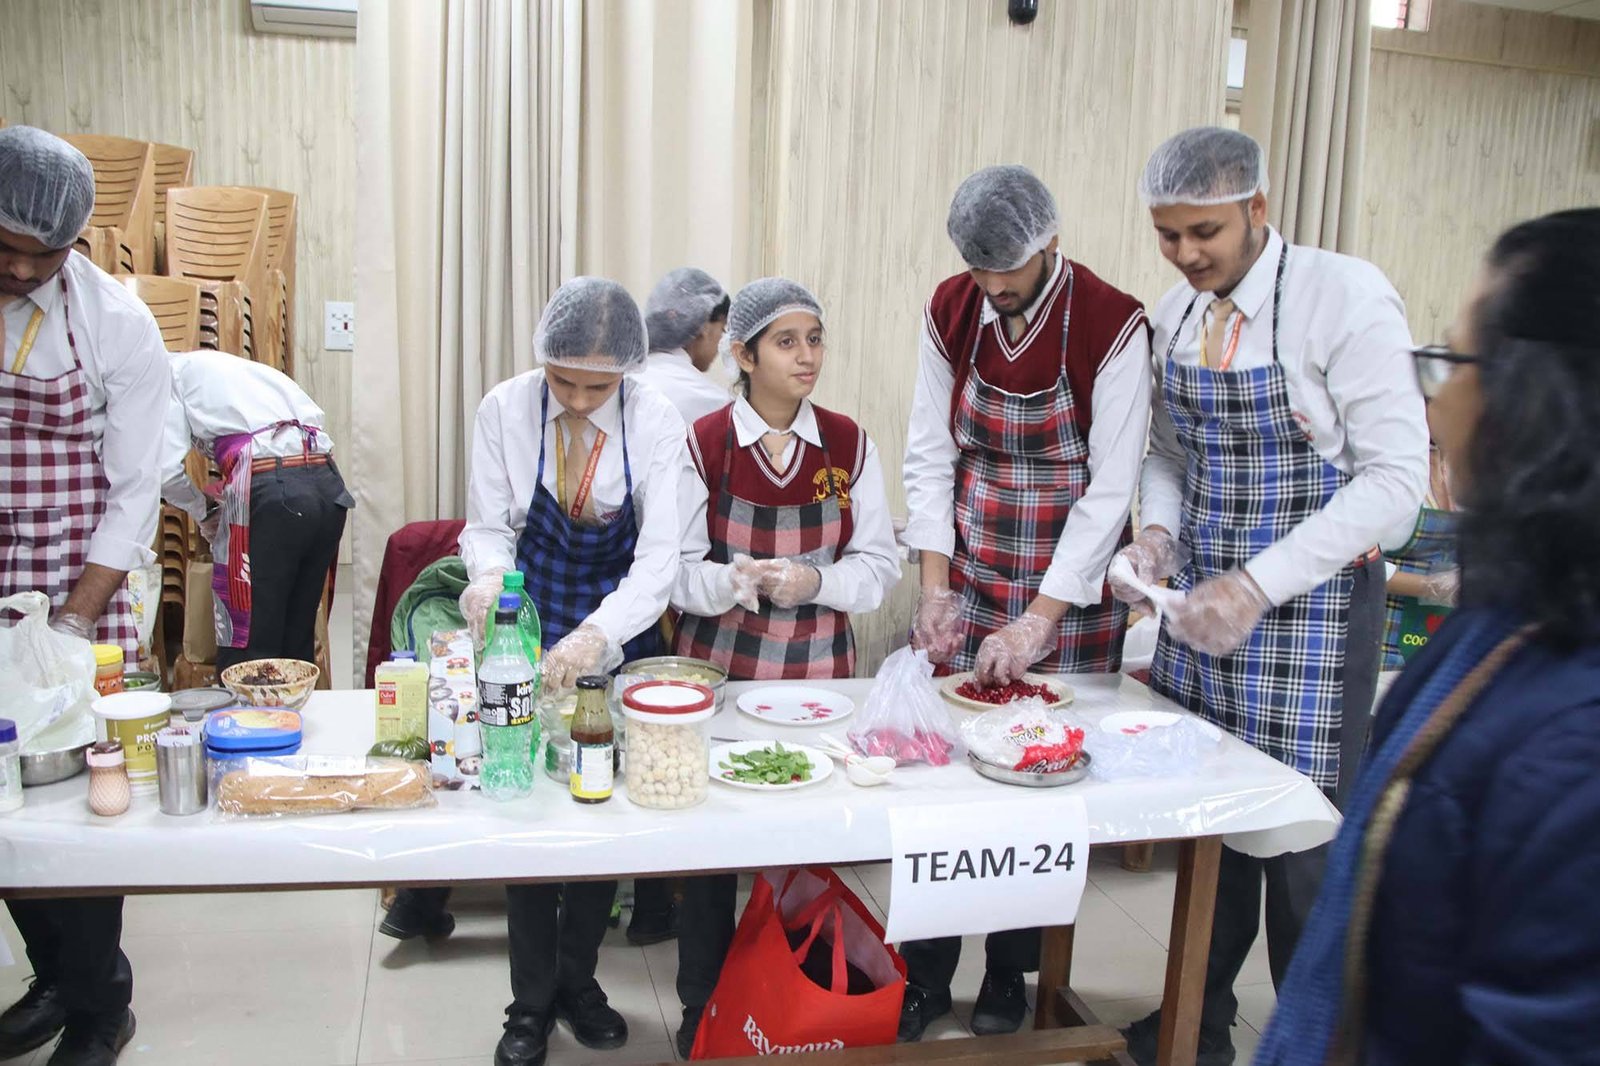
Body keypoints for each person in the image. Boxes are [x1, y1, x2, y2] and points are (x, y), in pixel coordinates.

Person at [1109, 127, 1429, 1066]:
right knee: (1207, 826)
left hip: (1312, 614)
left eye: (1203, 231)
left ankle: (1315, 1042)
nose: (1184, 254)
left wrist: (1257, 584)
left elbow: (1396, 485)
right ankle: (1194, 1026)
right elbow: (1170, 453)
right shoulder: (1178, 314)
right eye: (1168, 234)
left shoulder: (1344, 297)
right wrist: (1159, 536)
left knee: (1302, 852)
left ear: (1257, 208)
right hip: (1201, 605)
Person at [1257, 208, 1600, 1066]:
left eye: (1454, 361)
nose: (1437, 397)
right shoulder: (1510, 618)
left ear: (1541, 402)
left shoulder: (1573, 747)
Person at [898, 164, 1151, 1040]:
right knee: (942, 777)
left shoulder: (1112, 324)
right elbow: (929, 452)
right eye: (978, 269)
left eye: (1006, 269)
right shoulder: (951, 309)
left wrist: (1042, 617)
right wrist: (936, 588)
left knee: (1041, 781)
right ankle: (926, 973)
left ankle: (1011, 968)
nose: (992, 286)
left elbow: (1111, 490)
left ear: (1051, 243)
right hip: (972, 568)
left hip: (1067, 590)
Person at [455, 277, 686, 1066]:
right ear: (542, 360)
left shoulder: (655, 419)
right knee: (523, 801)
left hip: (617, 622)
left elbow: (659, 561)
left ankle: (579, 982)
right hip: (527, 615)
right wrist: (488, 581)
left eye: (599, 386)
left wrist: (596, 638)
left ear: (627, 371)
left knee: (598, 805)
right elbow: (489, 526)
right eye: (564, 382)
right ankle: (528, 1005)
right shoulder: (504, 408)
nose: (581, 399)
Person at [669, 278, 901, 1057]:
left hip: (818, 682)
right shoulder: (703, 445)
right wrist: (728, 582)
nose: (808, 356)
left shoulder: (848, 445)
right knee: (711, 850)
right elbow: (674, 573)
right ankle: (703, 1001)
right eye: (787, 342)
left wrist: (815, 582)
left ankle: (795, 1006)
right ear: (743, 355)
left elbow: (878, 566)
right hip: (722, 678)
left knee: (805, 845)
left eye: (815, 338)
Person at [0, 127, 169, 1066]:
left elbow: (136, 487)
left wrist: (71, 624)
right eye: (5, 247)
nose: (23, 267)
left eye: (46, 251)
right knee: (3, 798)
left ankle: (103, 1004)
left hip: (79, 571)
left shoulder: (114, 322)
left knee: (82, 789)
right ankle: (54, 978)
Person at [621, 265, 732, 949]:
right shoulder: (709, 403)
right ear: (703, 330)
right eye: (720, 330)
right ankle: (654, 906)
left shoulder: (621, 387)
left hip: (603, 573)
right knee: (662, 735)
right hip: (667, 588)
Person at [160, 349, 352, 670]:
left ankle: (246, 704)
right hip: (327, 485)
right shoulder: (232, 368)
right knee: (295, 641)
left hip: (275, 491)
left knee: (249, 645)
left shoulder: (163, 376)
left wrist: (205, 511)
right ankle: (293, 703)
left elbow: (163, 472)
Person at [1379, 441, 1456, 669]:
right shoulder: (1391, 467)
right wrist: (1430, 587)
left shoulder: (1468, 466)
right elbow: (1352, 561)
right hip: (1380, 645)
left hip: (1443, 650)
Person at [630, 266, 732, 425]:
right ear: (704, 327)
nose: (721, 340)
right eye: (723, 329)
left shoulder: (622, 379)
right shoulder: (715, 403)